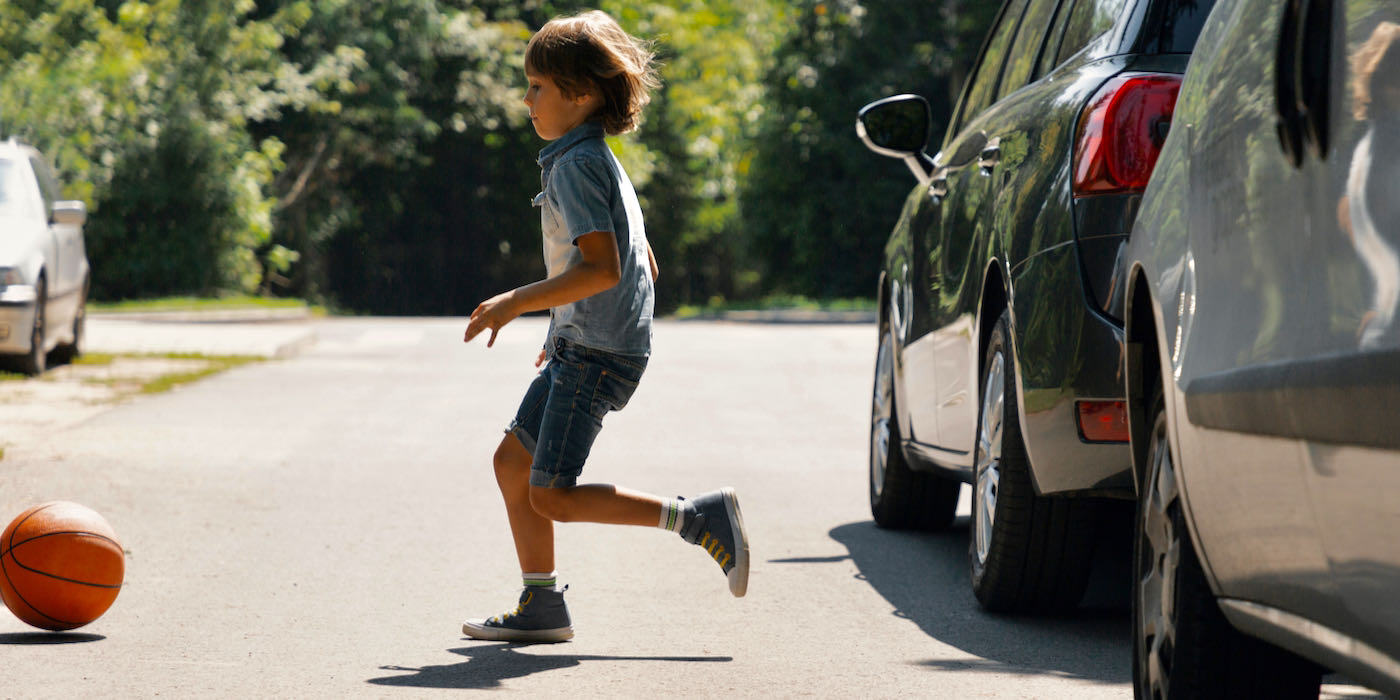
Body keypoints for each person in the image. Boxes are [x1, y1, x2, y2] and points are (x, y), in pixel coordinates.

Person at [460, 10, 749, 644]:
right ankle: (542, 605)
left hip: (595, 353)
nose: (526, 98)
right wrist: (560, 326)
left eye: (537, 86)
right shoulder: (587, 157)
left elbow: (602, 266)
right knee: (514, 464)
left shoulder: (578, 165)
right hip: (582, 344)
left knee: (553, 494)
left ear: (580, 94)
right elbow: (633, 256)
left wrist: (516, 301)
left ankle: (698, 517)